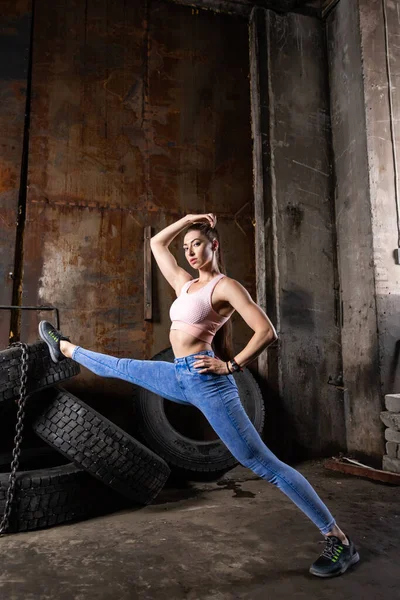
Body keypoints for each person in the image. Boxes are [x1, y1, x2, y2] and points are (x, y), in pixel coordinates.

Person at [39, 212, 359, 578]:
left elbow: (266, 331)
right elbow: (157, 244)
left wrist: (231, 365)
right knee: (120, 366)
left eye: (197, 244)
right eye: (187, 246)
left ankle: (339, 540)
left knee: (263, 465)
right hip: (177, 375)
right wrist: (188, 219)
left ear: (214, 245)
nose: (190, 252)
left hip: (209, 382)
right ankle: (63, 348)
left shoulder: (225, 287)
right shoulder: (184, 285)